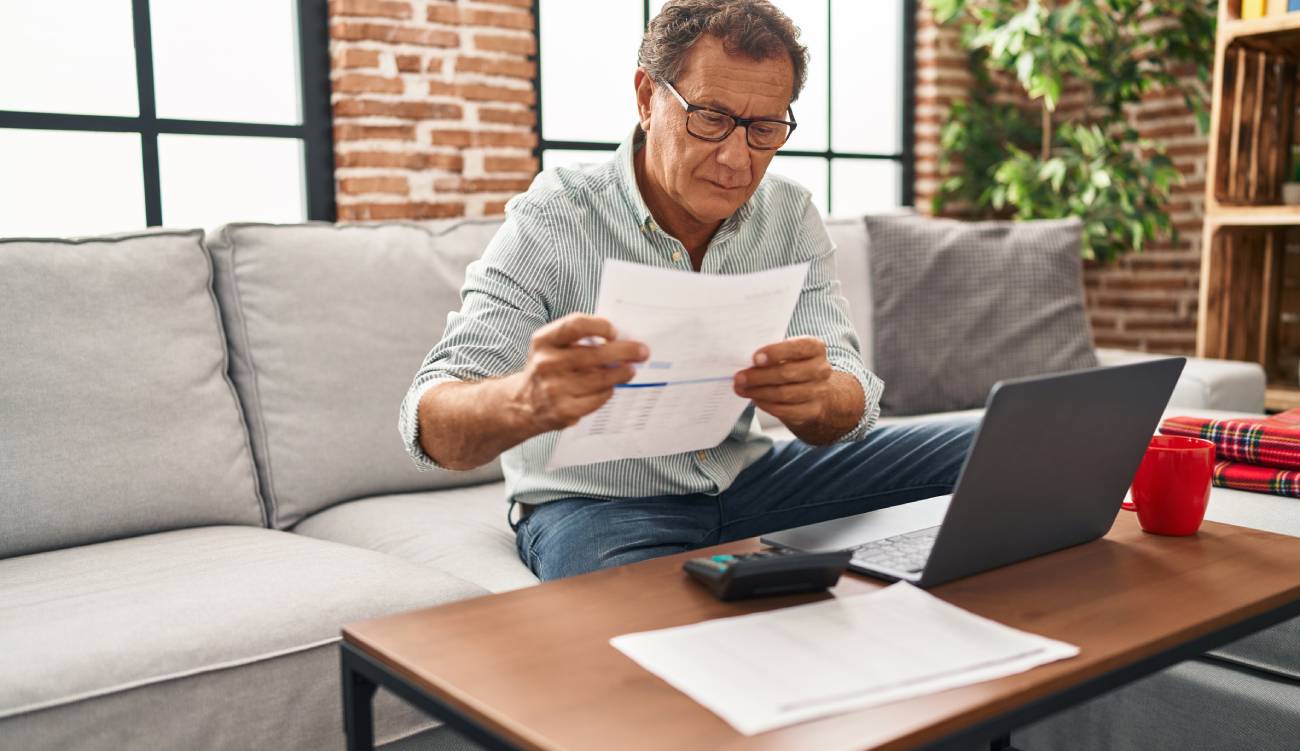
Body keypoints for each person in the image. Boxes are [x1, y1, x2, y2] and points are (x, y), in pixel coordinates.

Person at [400, 0, 977, 581]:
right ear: (648, 99)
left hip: (750, 478)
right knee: (639, 627)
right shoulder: (556, 214)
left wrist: (820, 397)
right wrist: (526, 399)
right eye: (710, 117)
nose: (736, 159)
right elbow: (429, 421)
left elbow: (847, 388)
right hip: (599, 506)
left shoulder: (789, 213)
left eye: (764, 129)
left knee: (994, 448)